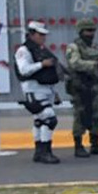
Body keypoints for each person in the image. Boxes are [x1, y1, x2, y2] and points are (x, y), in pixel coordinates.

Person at [15, 21, 62, 164]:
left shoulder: (41, 50)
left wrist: (55, 93)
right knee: (49, 118)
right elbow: (24, 69)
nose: (43, 37)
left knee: (40, 120)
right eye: (40, 34)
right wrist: (42, 64)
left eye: (44, 35)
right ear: (31, 34)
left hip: (45, 89)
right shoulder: (24, 50)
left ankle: (39, 152)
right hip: (33, 89)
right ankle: (45, 151)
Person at [65, 18, 98, 158]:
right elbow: (75, 63)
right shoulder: (73, 47)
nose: (91, 33)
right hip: (80, 86)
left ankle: (95, 144)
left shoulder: (95, 47)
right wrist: (93, 65)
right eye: (88, 30)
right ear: (81, 32)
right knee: (80, 115)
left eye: (93, 30)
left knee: (97, 115)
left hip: (94, 85)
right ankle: (78, 146)